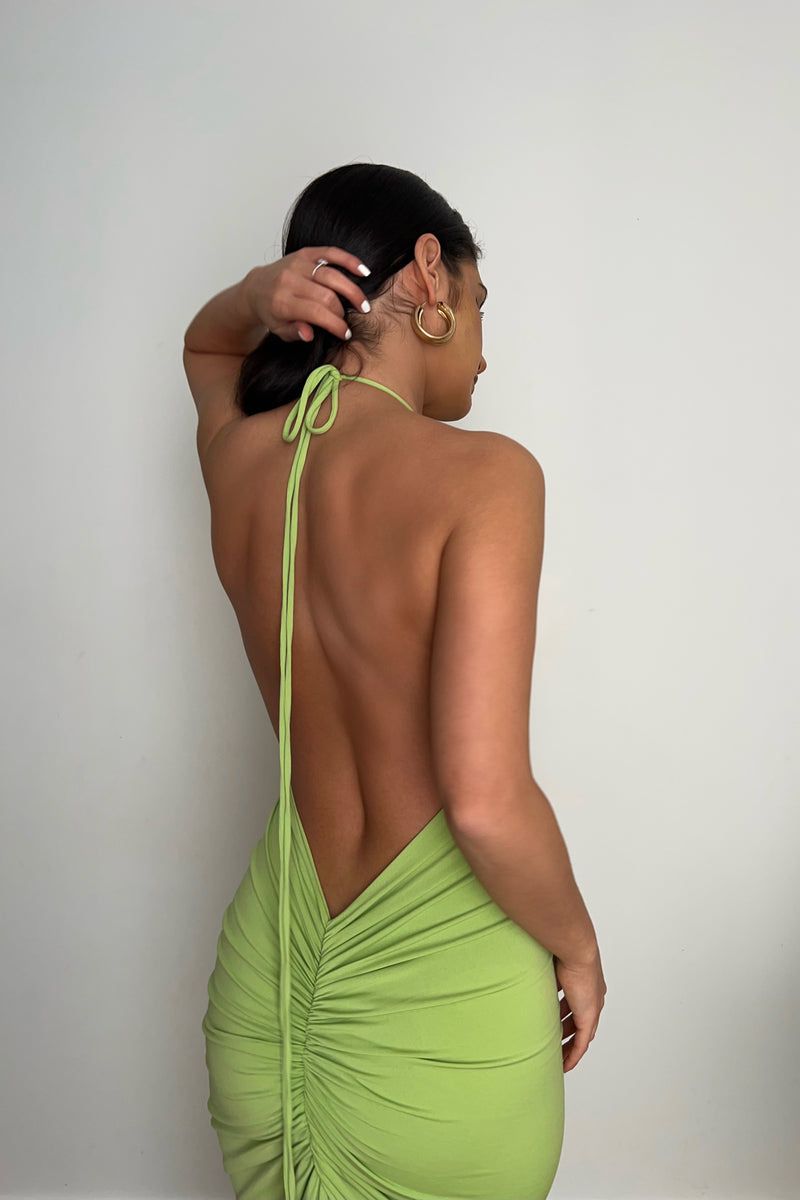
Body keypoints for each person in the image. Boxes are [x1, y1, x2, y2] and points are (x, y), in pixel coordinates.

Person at [182, 162, 606, 1200]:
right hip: (443, 1005)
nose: (484, 349)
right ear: (428, 272)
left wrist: (255, 297)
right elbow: (485, 801)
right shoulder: (487, 477)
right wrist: (578, 948)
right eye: (479, 303)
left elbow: (206, 349)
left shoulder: (241, 462)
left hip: (268, 1004)